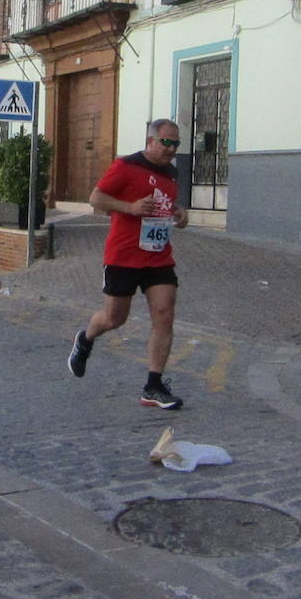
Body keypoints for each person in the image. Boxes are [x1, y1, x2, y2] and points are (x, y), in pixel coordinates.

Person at [67, 119, 189, 410]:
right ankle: (85, 338)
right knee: (114, 318)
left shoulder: (171, 173)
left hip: (158, 255)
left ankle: (154, 385)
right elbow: (95, 198)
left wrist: (178, 212)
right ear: (150, 141)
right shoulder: (125, 166)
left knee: (164, 312)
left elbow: (163, 204)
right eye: (166, 142)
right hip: (123, 255)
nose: (171, 149)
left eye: (176, 144)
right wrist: (130, 208)